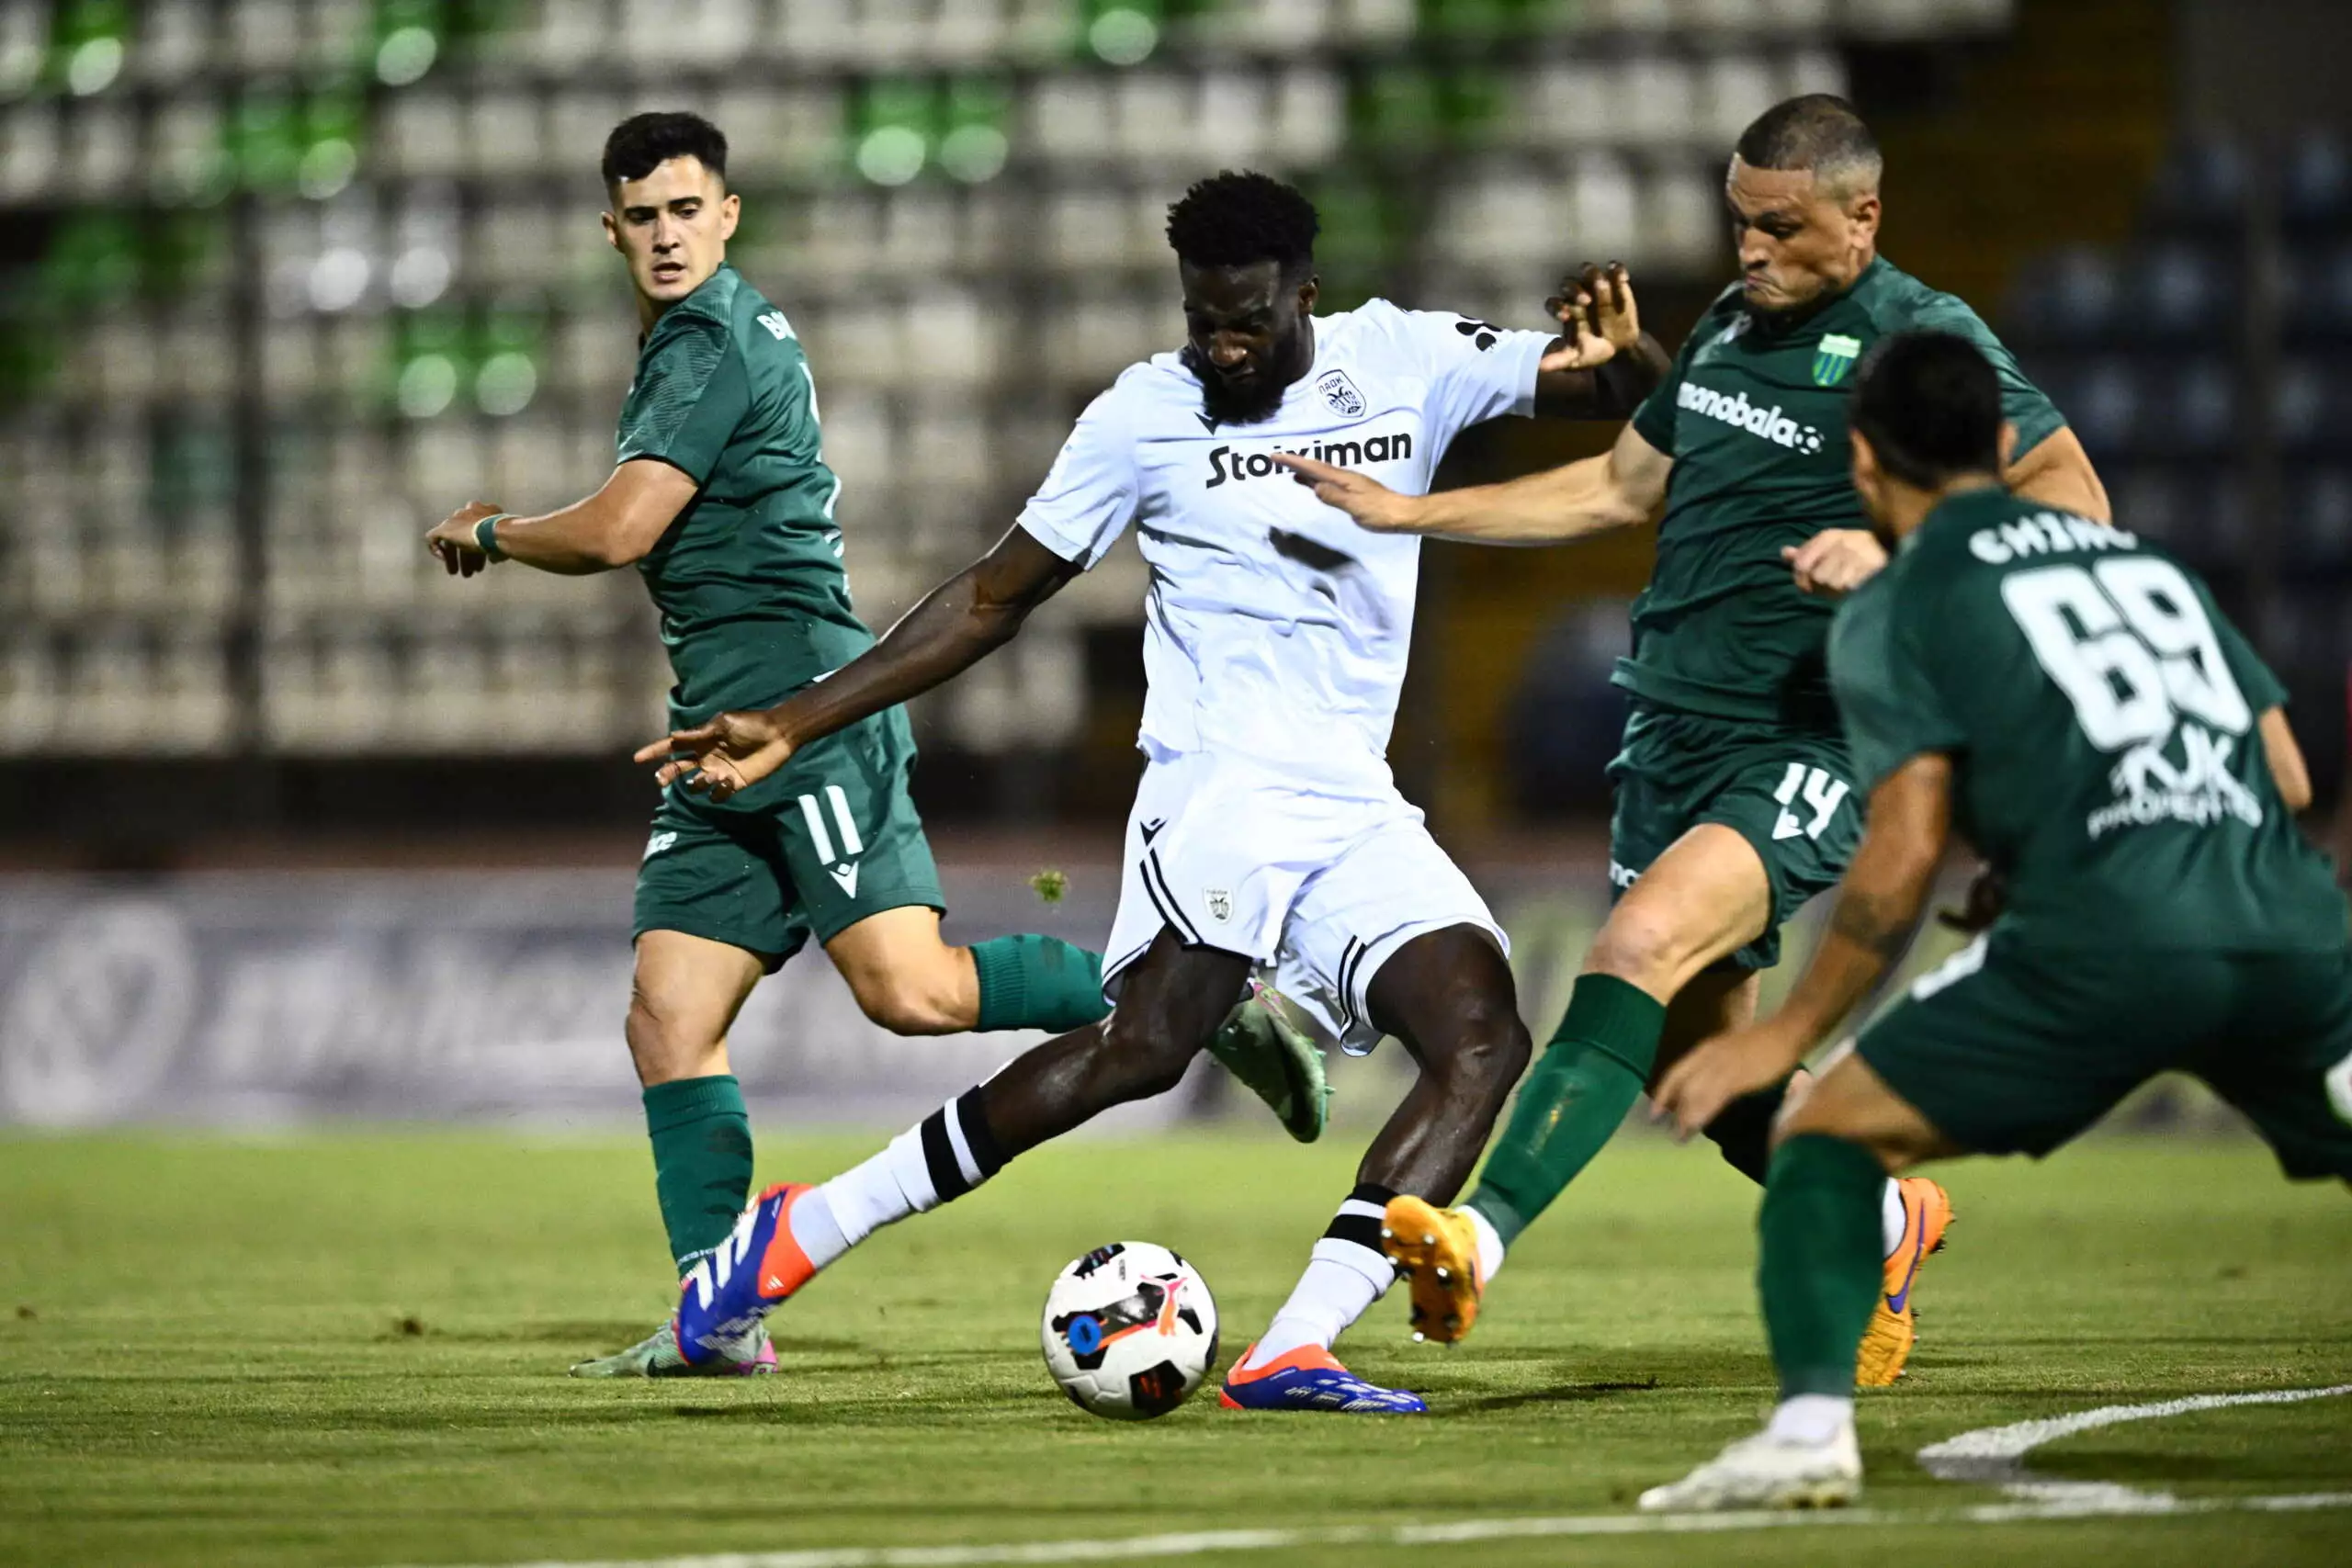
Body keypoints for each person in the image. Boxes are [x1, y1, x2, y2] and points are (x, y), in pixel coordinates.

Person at [634, 170, 1670, 1409]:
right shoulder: (1142, 415)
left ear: (1305, 295)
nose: (1220, 345)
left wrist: (1633, 354)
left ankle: (1295, 1345)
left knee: (1484, 1035)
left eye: (1246, 320)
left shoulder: (1404, 357)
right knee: (1146, 1050)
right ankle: (806, 1226)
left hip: (1353, 799)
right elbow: (991, 598)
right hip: (1217, 788)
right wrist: (798, 719)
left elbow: (1622, 401)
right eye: (1200, 319)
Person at [421, 114, 1320, 1379]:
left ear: (728, 215)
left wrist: (492, 530)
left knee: (914, 993)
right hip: (715, 729)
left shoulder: (712, 338)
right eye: (645, 215)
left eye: (689, 210)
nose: (669, 235)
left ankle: (1191, 994)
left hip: (803, 713)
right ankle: (719, 1314)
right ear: (611, 229)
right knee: (668, 1017)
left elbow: (625, 526)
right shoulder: (692, 340)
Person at [1279, 94, 2110, 1385]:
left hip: (1810, 733)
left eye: (1781, 228)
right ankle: (1887, 1220)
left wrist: (1902, 553)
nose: (1751, 250)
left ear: (1863, 216)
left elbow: (2075, 500)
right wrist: (1411, 512)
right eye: (1738, 223)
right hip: (1669, 730)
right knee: (1702, 1064)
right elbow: (1619, 485)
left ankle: (1475, 1240)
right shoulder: (1727, 324)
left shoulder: (1921, 338)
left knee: (1635, 947)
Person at [1636, 329, 2348, 1510]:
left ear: (1864, 465)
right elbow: (2285, 773)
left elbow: (1901, 855)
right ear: (2006, 442)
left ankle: (1808, 1437)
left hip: (2101, 947)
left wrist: (1784, 1036)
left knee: (1823, 1143)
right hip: (2290, 931)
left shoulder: (1899, 601)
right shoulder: (2142, 565)